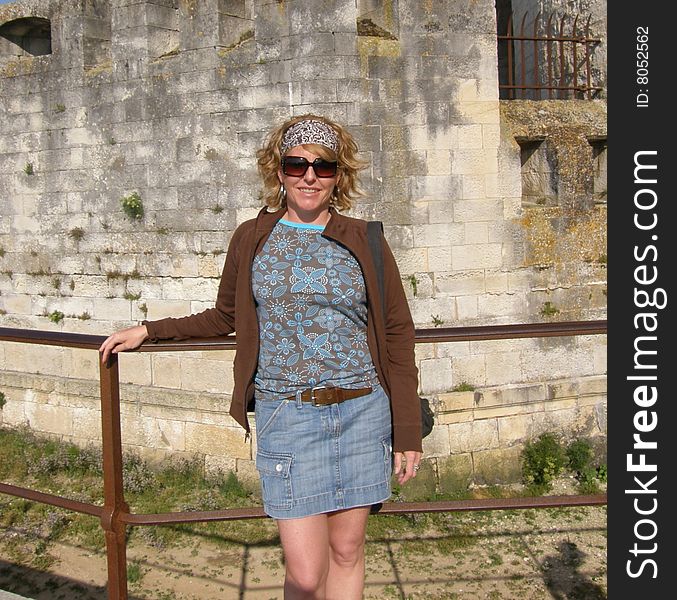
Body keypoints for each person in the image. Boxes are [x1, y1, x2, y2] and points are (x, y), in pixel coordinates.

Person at [99, 114, 423, 599]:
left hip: (362, 411)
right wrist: (150, 329)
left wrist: (407, 429)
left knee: (348, 552)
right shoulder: (254, 237)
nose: (309, 176)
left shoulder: (366, 240)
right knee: (306, 572)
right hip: (288, 415)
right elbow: (223, 315)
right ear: (279, 172)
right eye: (296, 165)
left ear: (339, 175)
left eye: (323, 166)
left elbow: (398, 335)